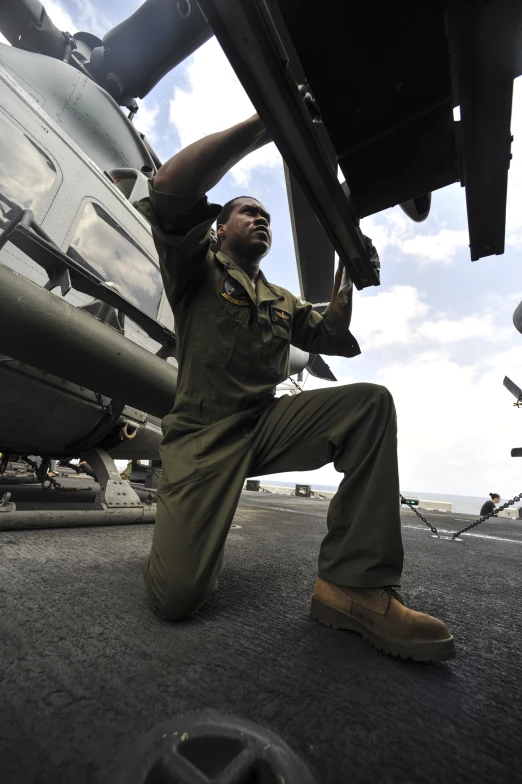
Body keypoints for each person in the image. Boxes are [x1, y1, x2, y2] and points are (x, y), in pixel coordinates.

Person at [134, 107, 455, 662]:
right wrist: (268, 122)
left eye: (265, 216)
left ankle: (352, 586)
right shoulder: (195, 268)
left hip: (264, 426)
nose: (260, 219)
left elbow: (327, 331)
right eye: (246, 212)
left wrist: (347, 284)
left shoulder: (280, 299)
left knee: (370, 405)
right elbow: (168, 187)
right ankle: (175, 539)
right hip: (203, 437)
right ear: (219, 228)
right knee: (176, 600)